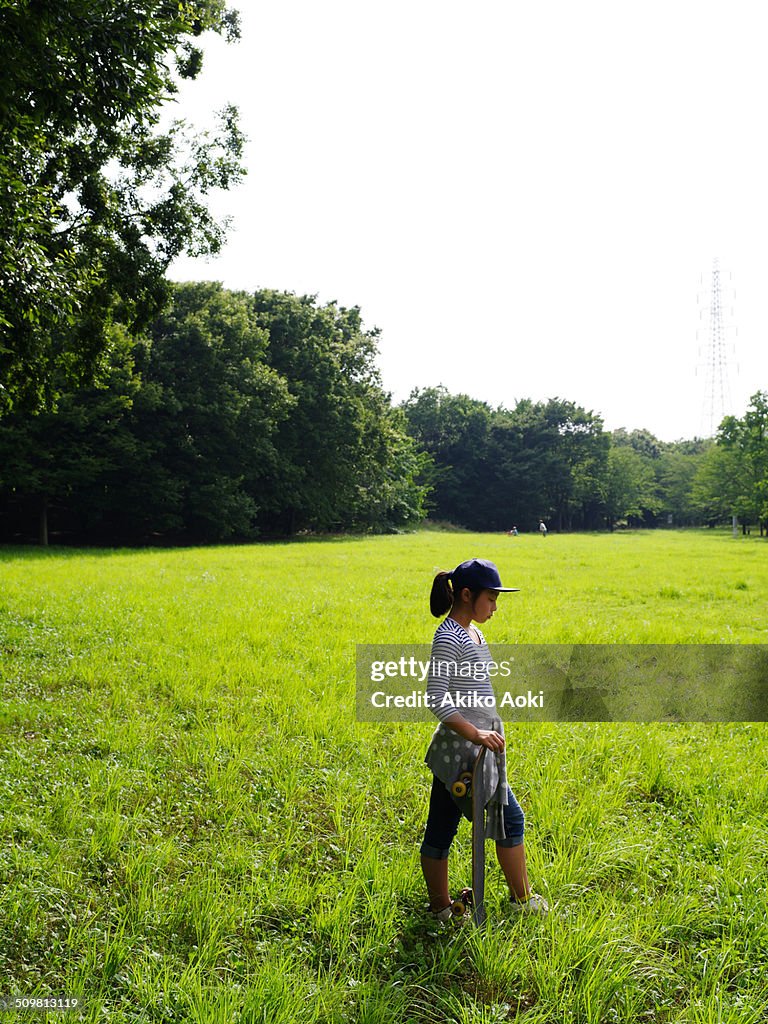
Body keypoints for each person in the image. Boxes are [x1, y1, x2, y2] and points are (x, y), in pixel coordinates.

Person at [420, 557, 548, 921]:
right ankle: (516, 902)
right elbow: (435, 696)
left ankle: (441, 906)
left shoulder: (474, 633)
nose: (494, 608)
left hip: (479, 749)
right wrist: (476, 732)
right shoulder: (448, 636)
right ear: (465, 594)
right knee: (508, 819)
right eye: (490, 599)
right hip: (463, 751)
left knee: (444, 824)